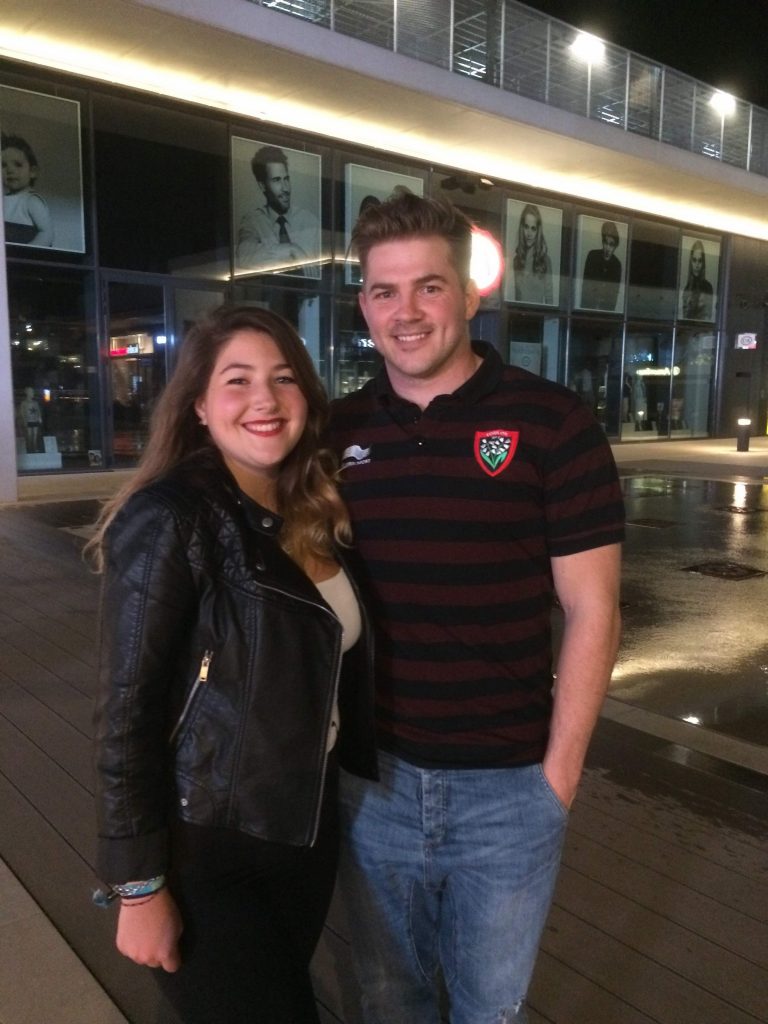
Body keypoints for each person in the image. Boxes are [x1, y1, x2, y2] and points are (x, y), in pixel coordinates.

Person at [328, 194, 624, 1024]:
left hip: (510, 789)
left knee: (490, 1009)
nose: (406, 312)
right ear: (364, 304)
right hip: (372, 784)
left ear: (469, 293)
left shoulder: (553, 423)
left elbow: (592, 608)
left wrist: (556, 780)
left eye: (429, 286)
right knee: (390, 1002)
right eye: (385, 292)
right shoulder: (336, 431)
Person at [91, 305, 376, 1024]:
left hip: (301, 835)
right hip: (208, 850)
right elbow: (126, 713)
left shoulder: (314, 511)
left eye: (284, 379)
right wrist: (138, 885)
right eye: (238, 380)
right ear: (199, 404)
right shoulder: (173, 517)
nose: (264, 400)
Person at [236, 145, 320, 276]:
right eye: (277, 180)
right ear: (262, 185)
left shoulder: (310, 222)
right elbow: (244, 257)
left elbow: (319, 277)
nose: (285, 188)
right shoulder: (252, 222)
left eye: (286, 179)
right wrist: (291, 249)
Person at [2, 133, 53, 246]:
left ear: (32, 172)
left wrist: (28, 251)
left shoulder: (31, 201)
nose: (10, 170)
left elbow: (47, 233)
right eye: (3, 165)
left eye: (18, 164)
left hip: (23, 257)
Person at [512, 203, 553, 304]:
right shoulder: (516, 260)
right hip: (518, 317)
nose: (529, 233)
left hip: (537, 317)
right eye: (526, 227)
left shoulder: (545, 261)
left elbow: (549, 298)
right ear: (522, 228)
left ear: (538, 231)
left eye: (533, 228)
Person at [581, 220, 622, 311]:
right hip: (588, 308)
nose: (607, 248)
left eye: (611, 244)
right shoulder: (592, 256)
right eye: (605, 243)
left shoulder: (617, 264)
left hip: (606, 311)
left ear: (615, 246)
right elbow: (585, 286)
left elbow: (614, 294)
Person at [681, 239, 714, 320]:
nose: (697, 265)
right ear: (691, 262)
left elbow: (708, 317)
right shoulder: (687, 288)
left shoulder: (708, 287)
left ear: (703, 263)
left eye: (700, 261)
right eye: (694, 260)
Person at [17, 386, 43, 452]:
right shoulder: (24, 403)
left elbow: (38, 411)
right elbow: (22, 412)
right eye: (31, 392)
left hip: (35, 420)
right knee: (29, 435)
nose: (32, 393)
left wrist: (39, 418)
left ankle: (34, 448)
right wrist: (24, 420)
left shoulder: (35, 403)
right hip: (28, 420)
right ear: (27, 393)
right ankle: (29, 448)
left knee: (35, 435)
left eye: (32, 392)